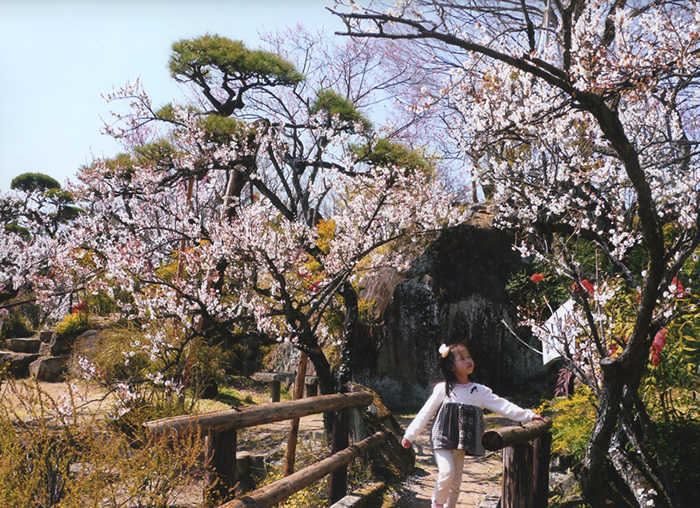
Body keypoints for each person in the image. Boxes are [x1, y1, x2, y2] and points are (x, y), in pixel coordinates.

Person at [401, 341, 544, 508]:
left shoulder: (479, 391)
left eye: (469, 356)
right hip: (442, 438)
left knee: (456, 483)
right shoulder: (443, 389)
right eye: (462, 358)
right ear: (451, 367)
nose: (468, 360)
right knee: (447, 472)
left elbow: (504, 406)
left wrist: (529, 416)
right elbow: (425, 413)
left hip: (461, 441)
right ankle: (437, 504)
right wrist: (409, 435)